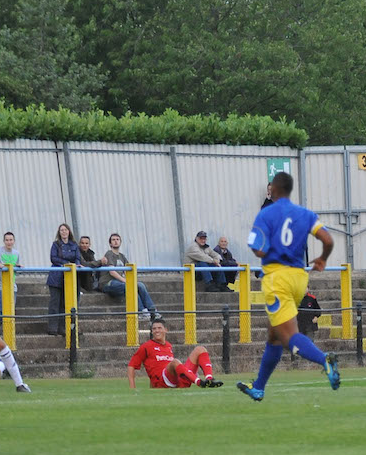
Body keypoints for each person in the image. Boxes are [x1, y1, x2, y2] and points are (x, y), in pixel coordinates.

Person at [238, 171, 340, 401]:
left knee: (287, 335)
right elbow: (328, 240)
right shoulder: (304, 214)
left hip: (277, 279)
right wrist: (322, 258)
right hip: (299, 278)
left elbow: (258, 248)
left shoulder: (266, 214)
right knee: (274, 334)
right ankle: (259, 387)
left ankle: (325, 360)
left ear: (273, 189)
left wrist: (265, 250)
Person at [128, 317, 223, 389]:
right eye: (154, 329)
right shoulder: (146, 346)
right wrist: (133, 388)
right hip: (163, 381)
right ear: (152, 331)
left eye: (159, 328)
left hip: (177, 379)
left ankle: (209, 379)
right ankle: (199, 383)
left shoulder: (168, 346)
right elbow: (131, 365)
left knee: (200, 349)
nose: (157, 330)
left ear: (166, 330)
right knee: (175, 362)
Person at [100, 233, 161, 320]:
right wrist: (126, 281)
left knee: (140, 285)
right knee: (129, 286)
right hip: (108, 283)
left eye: (117, 239)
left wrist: (131, 281)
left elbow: (128, 271)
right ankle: (141, 312)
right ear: (110, 243)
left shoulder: (122, 256)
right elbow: (112, 272)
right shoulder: (109, 254)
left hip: (119, 283)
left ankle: (153, 311)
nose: (115, 241)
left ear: (120, 242)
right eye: (113, 240)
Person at [46, 223, 81, 336]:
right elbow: (53, 258)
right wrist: (67, 264)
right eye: (61, 230)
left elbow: (77, 258)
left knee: (65, 304)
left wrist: (75, 264)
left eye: (65, 230)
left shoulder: (74, 245)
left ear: (69, 231)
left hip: (69, 278)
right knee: (55, 303)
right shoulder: (56, 244)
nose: (64, 232)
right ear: (59, 232)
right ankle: (52, 327)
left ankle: (62, 328)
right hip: (56, 277)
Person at [0, 232, 22, 330]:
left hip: (12, 286)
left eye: (11, 240)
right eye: (7, 240)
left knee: (10, 312)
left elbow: (15, 266)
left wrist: (18, 267)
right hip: (0, 287)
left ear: (14, 241)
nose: (9, 242)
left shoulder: (16, 253)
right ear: (4, 241)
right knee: (4, 311)